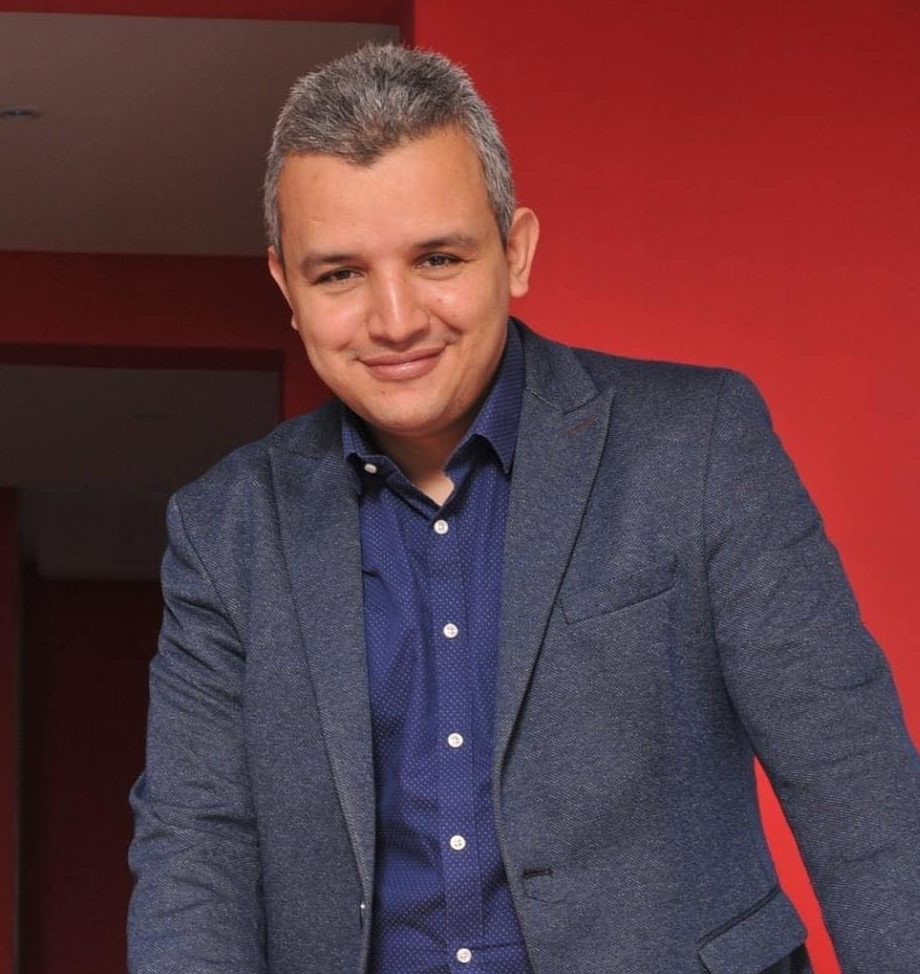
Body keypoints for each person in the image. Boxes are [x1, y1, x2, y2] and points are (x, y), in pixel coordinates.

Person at [128, 44, 920, 974]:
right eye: (339, 274)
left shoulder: (698, 445)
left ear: (517, 251)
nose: (395, 319)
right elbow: (197, 850)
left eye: (437, 257)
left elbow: (855, 781)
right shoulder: (224, 530)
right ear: (287, 289)